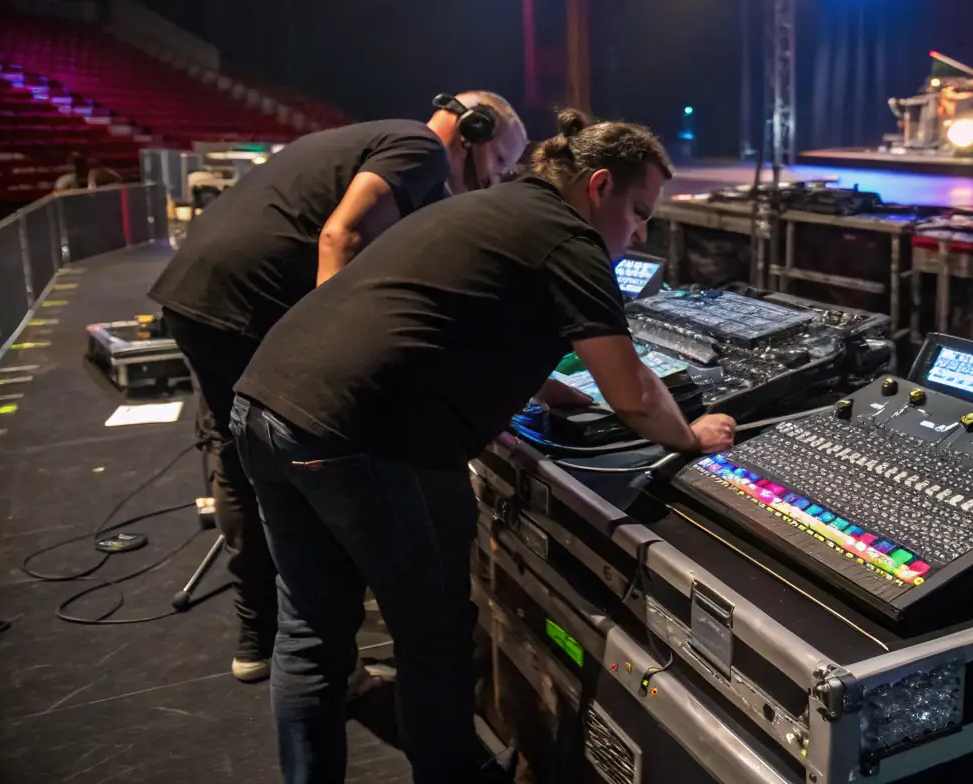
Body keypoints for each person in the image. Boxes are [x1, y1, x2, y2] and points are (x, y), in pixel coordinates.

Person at [229, 111, 736, 784]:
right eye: (639, 213)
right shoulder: (570, 237)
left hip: (263, 403)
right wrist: (692, 435)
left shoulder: (491, 207)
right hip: (364, 436)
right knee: (432, 640)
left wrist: (543, 387)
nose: (640, 234)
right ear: (599, 186)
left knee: (310, 635)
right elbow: (634, 393)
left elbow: (448, 310)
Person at [148, 92, 527, 684]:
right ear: (473, 132)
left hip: (196, 297)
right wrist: (330, 342)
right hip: (249, 301)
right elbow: (340, 238)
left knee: (239, 465)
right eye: (501, 161)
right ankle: (331, 653)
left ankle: (258, 640)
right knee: (317, 461)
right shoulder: (421, 146)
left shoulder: (374, 139)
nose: (497, 178)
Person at [54, 151, 122, 191]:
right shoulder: (65, 180)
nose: (81, 166)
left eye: (83, 162)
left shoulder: (100, 174)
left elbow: (119, 179)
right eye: (78, 163)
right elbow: (58, 195)